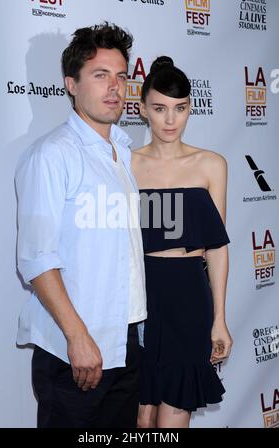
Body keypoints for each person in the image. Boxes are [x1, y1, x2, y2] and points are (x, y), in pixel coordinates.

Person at [15, 22, 147, 428]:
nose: (114, 88)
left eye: (121, 76)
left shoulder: (122, 153)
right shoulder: (53, 155)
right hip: (77, 348)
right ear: (71, 85)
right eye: (100, 75)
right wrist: (78, 337)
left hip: (124, 343)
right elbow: (37, 259)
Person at [131, 56, 233, 428]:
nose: (171, 120)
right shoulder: (125, 164)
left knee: (173, 416)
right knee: (141, 417)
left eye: (180, 108)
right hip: (138, 295)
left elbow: (217, 247)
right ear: (142, 109)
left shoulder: (211, 164)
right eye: (160, 109)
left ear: (191, 109)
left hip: (189, 296)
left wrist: (219, 319)